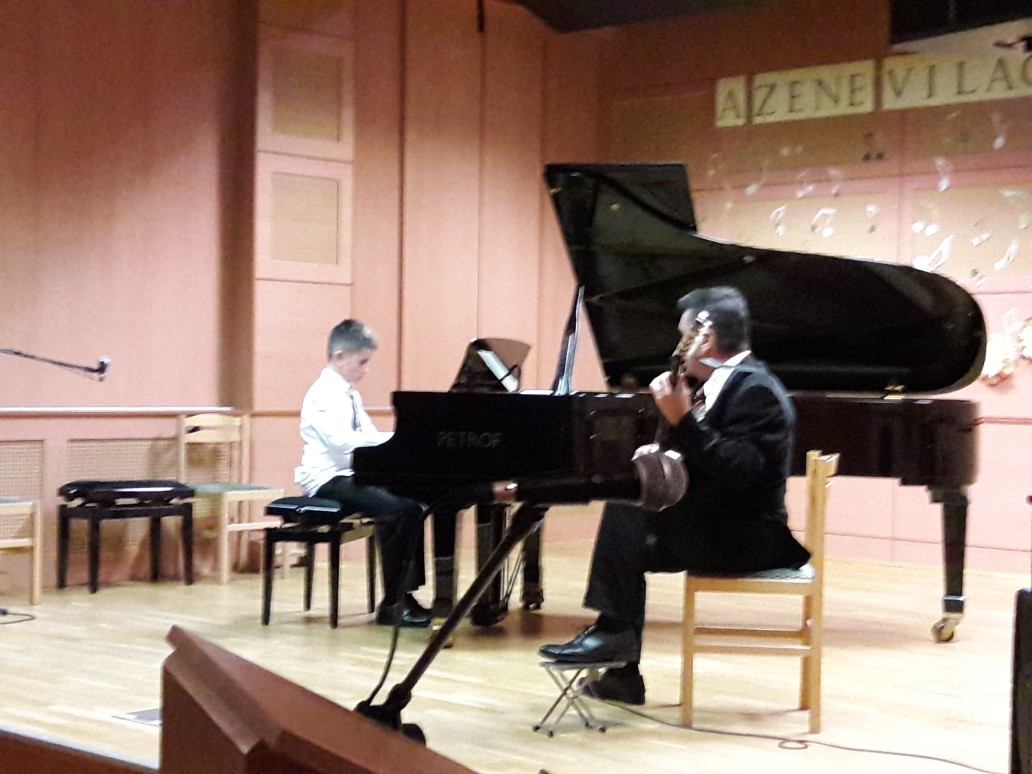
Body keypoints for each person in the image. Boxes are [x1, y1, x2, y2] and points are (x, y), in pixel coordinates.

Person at [538, 286, 810, 703]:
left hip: (751, 538)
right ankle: (619, 664)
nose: (677, 347)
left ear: (706, 338)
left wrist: (683, 421)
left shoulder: (755, 389)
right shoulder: (719, 383)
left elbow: (740, 472)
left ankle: (615, 642)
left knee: (631, 510)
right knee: (632, 511)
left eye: (683, 336)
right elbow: (704, 461)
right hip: (722, 525)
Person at [295, 319, 432, 628]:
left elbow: (367, 435)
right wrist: (395, 440)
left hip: (350, 475)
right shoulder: (322, 394)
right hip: (327, 480)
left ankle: (403, 595)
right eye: (362, 362)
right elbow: (342, 442)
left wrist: (397, 443)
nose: (365, 369)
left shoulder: (349, 394)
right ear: (340, 356)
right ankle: (393, 604)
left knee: (414, 504)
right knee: (400, 511)